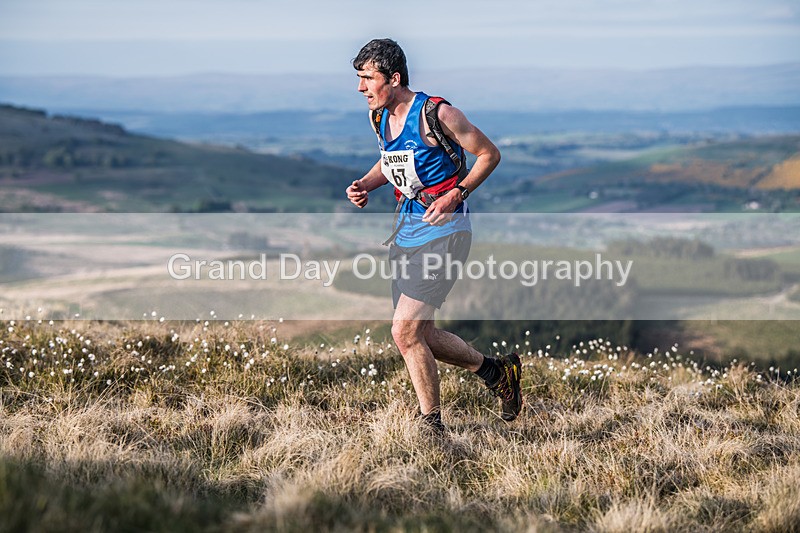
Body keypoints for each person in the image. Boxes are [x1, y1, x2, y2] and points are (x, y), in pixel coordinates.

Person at [346, 38, 522, 432]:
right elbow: (391, 161)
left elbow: (489, 154)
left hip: (446, 233)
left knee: (404, 332)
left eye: (367, 78)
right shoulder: (379, 117)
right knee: (421, 332)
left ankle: (431, 427)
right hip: (406, 232)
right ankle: (497, 373)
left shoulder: (438, 114)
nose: (360, 87)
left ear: (394, 78)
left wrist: (457, 193)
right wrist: (365, 184)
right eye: (359, 78)